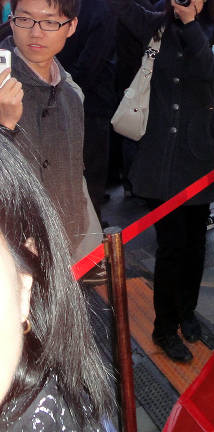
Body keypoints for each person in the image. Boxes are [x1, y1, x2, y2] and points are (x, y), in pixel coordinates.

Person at [106, 0, 214, 363]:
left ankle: (188, 313)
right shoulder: (153, 26)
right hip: (160, 155)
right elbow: (113, 2)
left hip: (197, 155)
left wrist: (191, 22)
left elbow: (211, 70)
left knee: (194, 245)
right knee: (171, 247)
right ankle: (164, 327)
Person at [0, 135, 114, 430]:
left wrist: (74, 223)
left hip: (56, 239)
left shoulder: (68, 409)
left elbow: (76, 162)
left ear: (23, 286)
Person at [0, 0, 99, 262]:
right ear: (11, 18)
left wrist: (86, 238)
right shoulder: (3, 85)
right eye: (24, 19)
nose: (35, 33)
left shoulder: (71, 92)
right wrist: (5, 127)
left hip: (65, 248)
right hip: (14, 257)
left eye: (50, 22)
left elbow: (74, 176)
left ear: (71, 27)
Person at [59, 0, 116, 222]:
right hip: (90, 101)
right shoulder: (102, 5)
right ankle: (89, 231)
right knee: (92, 168)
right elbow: (94, 62)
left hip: (55, 93)